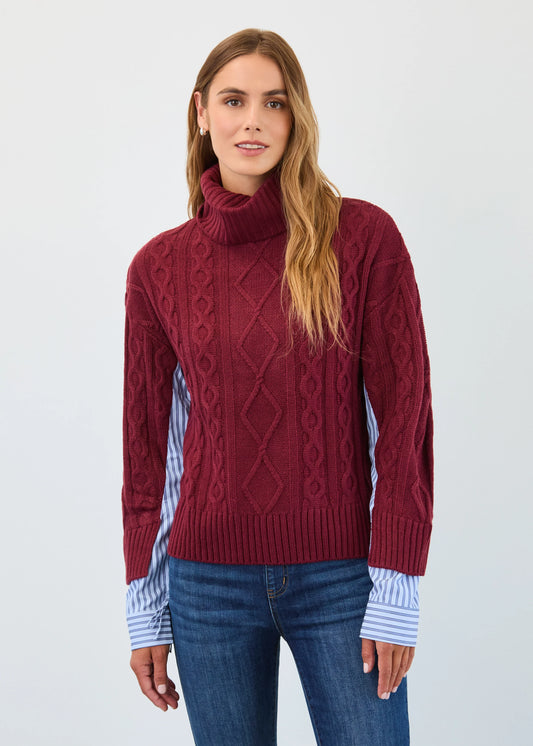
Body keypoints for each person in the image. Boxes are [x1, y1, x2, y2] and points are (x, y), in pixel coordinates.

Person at [122, 28, 433, 746]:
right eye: (234, 100)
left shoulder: (362, 239)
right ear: (202, 112)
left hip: (342, 579)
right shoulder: (158, 269)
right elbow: (153, 453)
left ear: (297, 117)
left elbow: (403, 422)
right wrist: (146, 606)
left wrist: (396, 587)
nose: (253, 121)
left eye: (275, 102)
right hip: (206, 587)